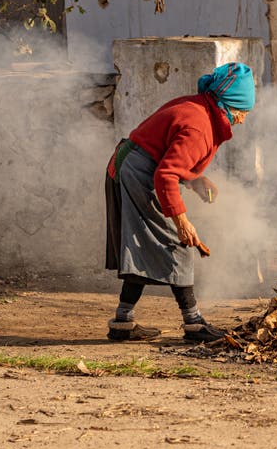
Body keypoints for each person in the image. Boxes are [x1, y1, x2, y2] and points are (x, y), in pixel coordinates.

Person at [104, 61, 255, 343]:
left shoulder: (200, 107)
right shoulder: (200, 126)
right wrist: (183, 222)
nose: (243, 120)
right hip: (138, 174)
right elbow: (165, 175)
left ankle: (122, 322)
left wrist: (196, 180)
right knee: (178, 242)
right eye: (241, 112)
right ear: (228, 105)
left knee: (142, 245)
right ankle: (194, 324)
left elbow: (167, 156)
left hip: (132, 166)